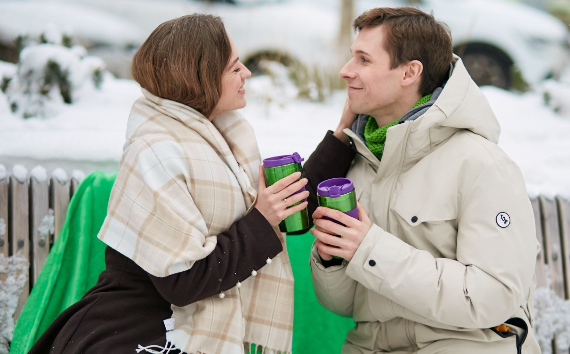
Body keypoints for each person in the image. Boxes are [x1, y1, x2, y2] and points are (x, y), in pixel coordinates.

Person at [28, 14, 307, 354]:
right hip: (137, 333)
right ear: (200, 79)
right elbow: (182, 279)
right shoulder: (157, 151)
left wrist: (342, 132)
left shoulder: (221, 138)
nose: (247, 73)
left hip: (173, 326)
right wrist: (261, 220)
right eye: (234, 68)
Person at [303, 7, 541, 354]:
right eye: (351, 57)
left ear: (410, 72)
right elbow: (346, 305)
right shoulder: (360, 161)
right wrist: (333, 258)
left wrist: (368, 249)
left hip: (468, 344)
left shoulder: (482, 165)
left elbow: (495, 296)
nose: (345, 71)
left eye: (364, 60)